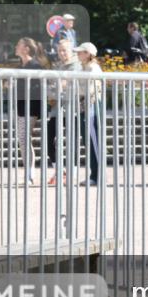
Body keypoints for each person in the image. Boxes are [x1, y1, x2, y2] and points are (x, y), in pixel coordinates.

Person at [46, 39, 83, 186]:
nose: (61, 53)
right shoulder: (58, 66)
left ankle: (71, 174)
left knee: (72, 141)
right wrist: (55, 90)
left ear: (71, 50)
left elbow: (73, 87)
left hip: (72, 109)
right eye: (60, 50)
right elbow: (52, 88)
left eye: (64, 50)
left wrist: (59, 87)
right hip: (57, 109)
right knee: (49, 139)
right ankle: (60, 171)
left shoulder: (78, 66)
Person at [14, 37, 50, 185]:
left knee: (23, 138)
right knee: (23, 139)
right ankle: (29, 174)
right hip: (22, 106)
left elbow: (40, 86)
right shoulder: (21, 65)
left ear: (26, 49)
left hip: (32, 106)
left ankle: (29, 175)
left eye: (18, 45)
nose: (16, 47)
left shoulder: (34, 65)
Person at [75, 42, 103, 187]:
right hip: (85, 106)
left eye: (81, 52)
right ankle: (95, 174)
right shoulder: (84, 67)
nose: (78, 54)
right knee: (89, 141)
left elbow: (90, 90)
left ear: (88, 54)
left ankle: (98, 175)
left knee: (94, 142)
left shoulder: (93, 68)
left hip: (91, 106)